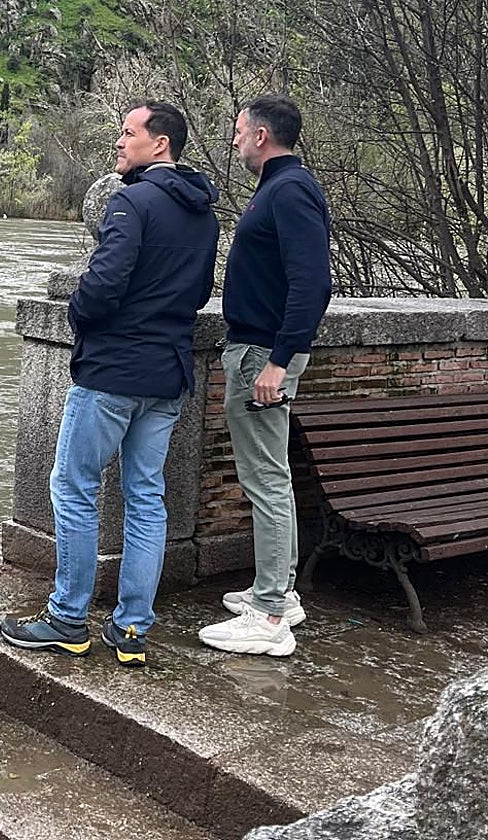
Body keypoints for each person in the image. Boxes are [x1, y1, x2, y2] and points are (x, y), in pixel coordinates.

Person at [0, 101, 220, 667]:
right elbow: (196, 295)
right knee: (146, 497)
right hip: (168, 373)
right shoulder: (203, 214)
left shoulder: (132, 200)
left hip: (114, 372)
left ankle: (68, 619)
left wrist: (82, 318)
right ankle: (131, 632)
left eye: (128, 133)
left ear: (161, 144)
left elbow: (101, 286)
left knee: (73, 486)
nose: (119, 143)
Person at [198, 94, 332, 657]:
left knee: (267, 481)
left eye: (237, 130)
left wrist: (278, 360)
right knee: (268, 477)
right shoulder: (280, 186)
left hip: (262, 354)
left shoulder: (291, 189)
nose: (232, 140)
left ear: (260, 136)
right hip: (258, 349)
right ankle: (278, 591)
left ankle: (272, 614)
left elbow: (312, 284)